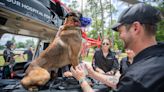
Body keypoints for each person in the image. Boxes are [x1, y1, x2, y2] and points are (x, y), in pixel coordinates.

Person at [70, 3, 164, 92]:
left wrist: (82, 80)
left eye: (120, 31)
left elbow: (130, 82)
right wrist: (93, 73)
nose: (120, 36)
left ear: (135, 28)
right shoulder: (156, 59)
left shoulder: (137, 77)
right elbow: (121, 82)